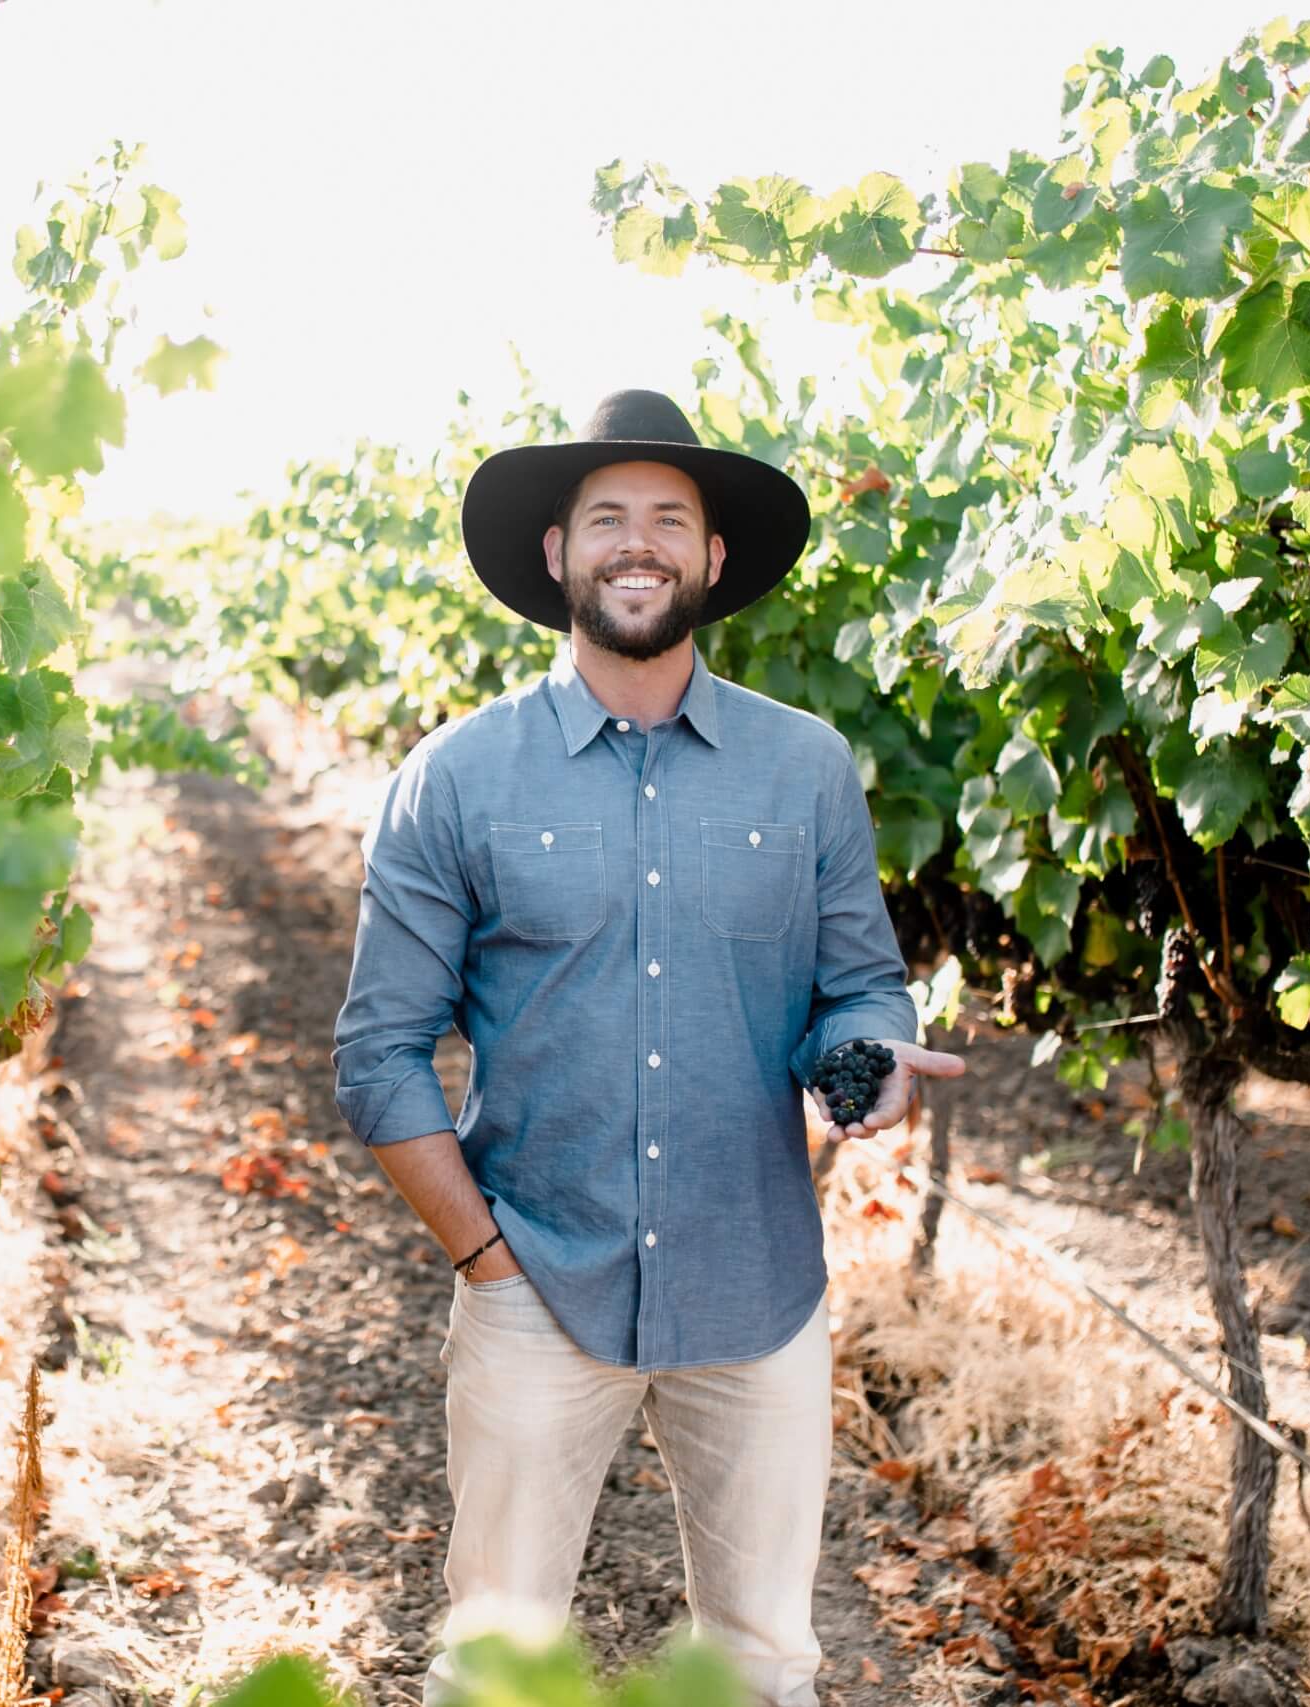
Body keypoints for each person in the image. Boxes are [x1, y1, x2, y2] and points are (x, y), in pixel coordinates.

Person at [330, 389, 967, 1706]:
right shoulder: (456, 777)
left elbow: (855, 995)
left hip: (757, 1288)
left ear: (713, 560)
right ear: (558, 554)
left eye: (669, 520)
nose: (639, 543)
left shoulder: (805, 772)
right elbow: (380, 1053)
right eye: (606, 516)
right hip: (538, 1281)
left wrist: (870, 1074)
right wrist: (486, 1261)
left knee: (764, 1665)